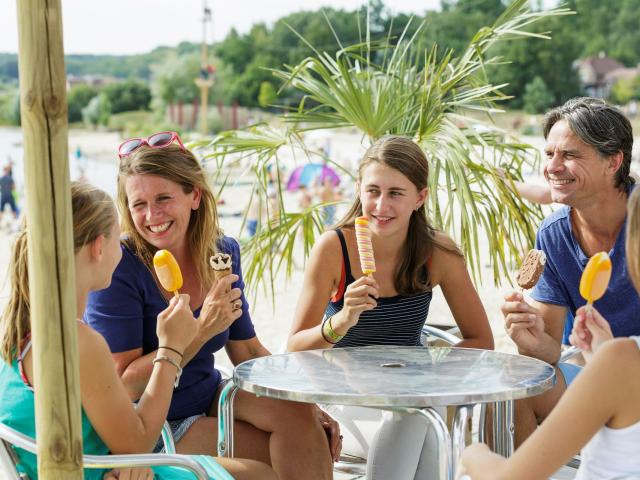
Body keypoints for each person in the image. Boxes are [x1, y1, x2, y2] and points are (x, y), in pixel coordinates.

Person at [84, 132, 337, 480]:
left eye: (163, 198)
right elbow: (126, 384)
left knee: (302, 423)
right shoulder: (121, 267)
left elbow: (246, 348)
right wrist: (202, 329)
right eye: (138, 204)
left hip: (209, 394)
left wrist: (305, 402)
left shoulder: (222, 252)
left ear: (195, 195)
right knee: (272, 469)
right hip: (152, 424)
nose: (151, 215)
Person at [0, 182, 274, 480]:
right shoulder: (79, 342)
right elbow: (139, 442)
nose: (123, 252)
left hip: (86, 465)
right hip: (96, 470)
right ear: (99, 247)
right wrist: (171, 348)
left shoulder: (20, 327)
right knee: (262, 475)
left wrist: (123, 458)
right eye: (120, 241)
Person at [288, 135, 494, 479]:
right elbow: (293, 349)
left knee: (416, 415)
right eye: (373, 191)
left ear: (420, 197)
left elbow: (480, 340)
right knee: (425, 430)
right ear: (359, 189)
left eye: (396, 193)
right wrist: (340, 321)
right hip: (342, 397)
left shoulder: (437, 252)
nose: (381, 205)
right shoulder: (334, 249)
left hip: (413, 395)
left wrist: (426, 373)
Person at [460, 187, 640, 480]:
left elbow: (506, 477)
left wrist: (470, 454)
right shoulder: (555, 234)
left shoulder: (622, 361)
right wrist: (602, 355)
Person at [502, 97, 640, 446]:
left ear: (613, 161)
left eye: (570, 155)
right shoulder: (553, 235)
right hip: (589, 370)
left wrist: (615, 359)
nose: (553, 167)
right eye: (549, 154)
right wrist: (530, 339)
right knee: (517, 388)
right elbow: (551, 355)